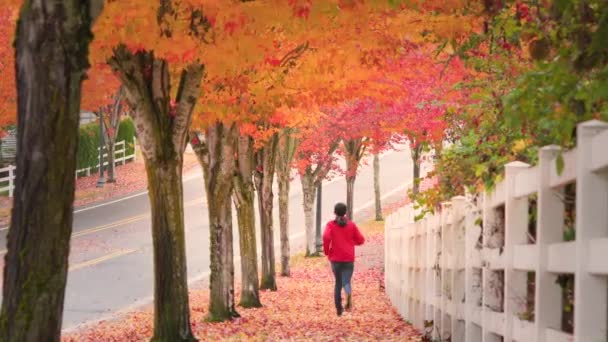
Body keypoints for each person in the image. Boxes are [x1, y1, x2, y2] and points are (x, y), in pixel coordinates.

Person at [323, 202, 365, 316]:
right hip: (348, 258)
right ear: (345, 212)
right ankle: (348, 295)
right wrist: (351, 242)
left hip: (336, 258)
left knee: (338, 283)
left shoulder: (330, 225)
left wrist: (327, 251)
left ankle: (339, 310)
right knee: (346, 281)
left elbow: (326, 237)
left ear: (334, 212)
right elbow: (361, 240)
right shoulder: (351, 225)